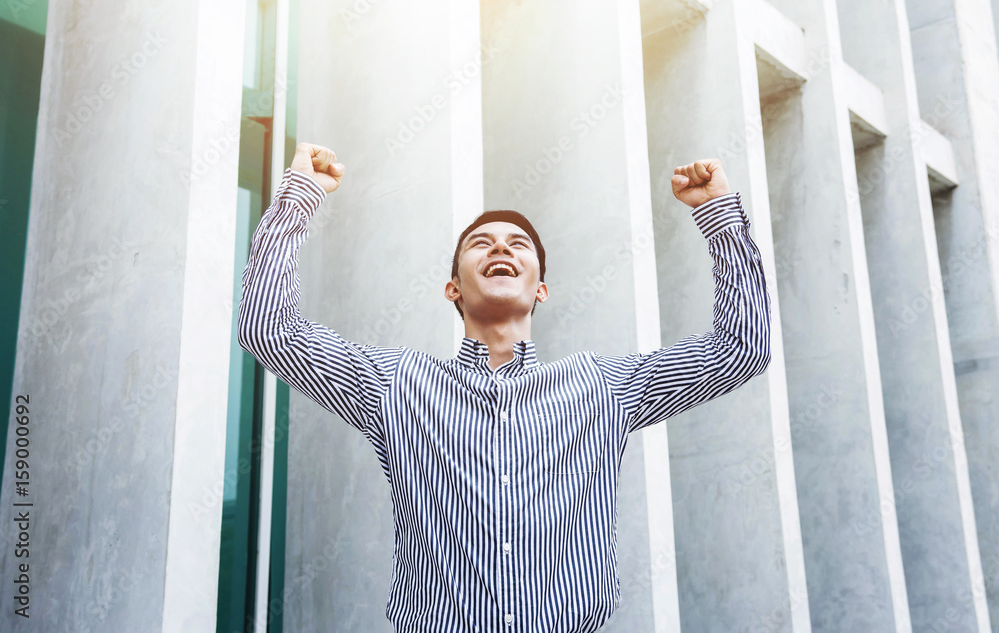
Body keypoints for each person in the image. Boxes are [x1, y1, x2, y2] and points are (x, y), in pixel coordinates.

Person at [238, 143, 771, 632]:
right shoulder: (397, 385)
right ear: (453, 288)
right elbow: (270, 329)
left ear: (540, 287)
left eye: (519, 243)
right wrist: (298, 198)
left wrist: (718, 214)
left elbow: (742, 347)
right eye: (481, 243)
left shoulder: (602, 386)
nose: (501, 248)